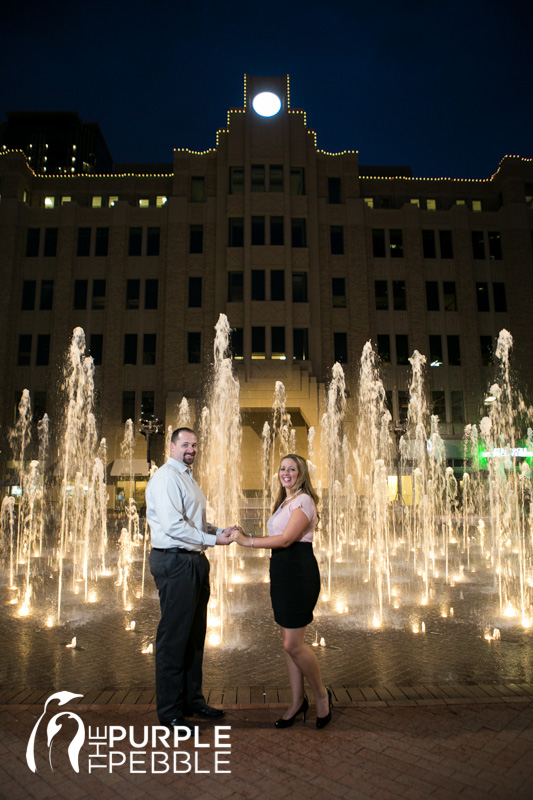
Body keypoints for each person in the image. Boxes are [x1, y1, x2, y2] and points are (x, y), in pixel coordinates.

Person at [231, 453, 332, 729]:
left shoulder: (304, 501)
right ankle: (297, 702)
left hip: (298, 573)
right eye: (282, 469)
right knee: (287, 643)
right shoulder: (284, 502)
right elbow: (278, 536)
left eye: (292, 469)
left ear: (301, 474)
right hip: (281, 573)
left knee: (293, 644)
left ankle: (322, 695)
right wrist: (243, 532)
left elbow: (287, 539)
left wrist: (247, 541)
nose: (286, 473)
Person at [146, 426, 236, 732]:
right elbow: (173, 527)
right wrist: (213, 541)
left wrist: (216, 532)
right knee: (174, 638)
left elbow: (192, 522)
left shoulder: (185, 476)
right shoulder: (166, 478)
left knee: (194, 635)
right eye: (185, 444)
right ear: (171, 447)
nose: (192, 449)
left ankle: (192, 701)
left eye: (195, 445)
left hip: (192, 561)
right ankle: (169, 711)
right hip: (175, 561)